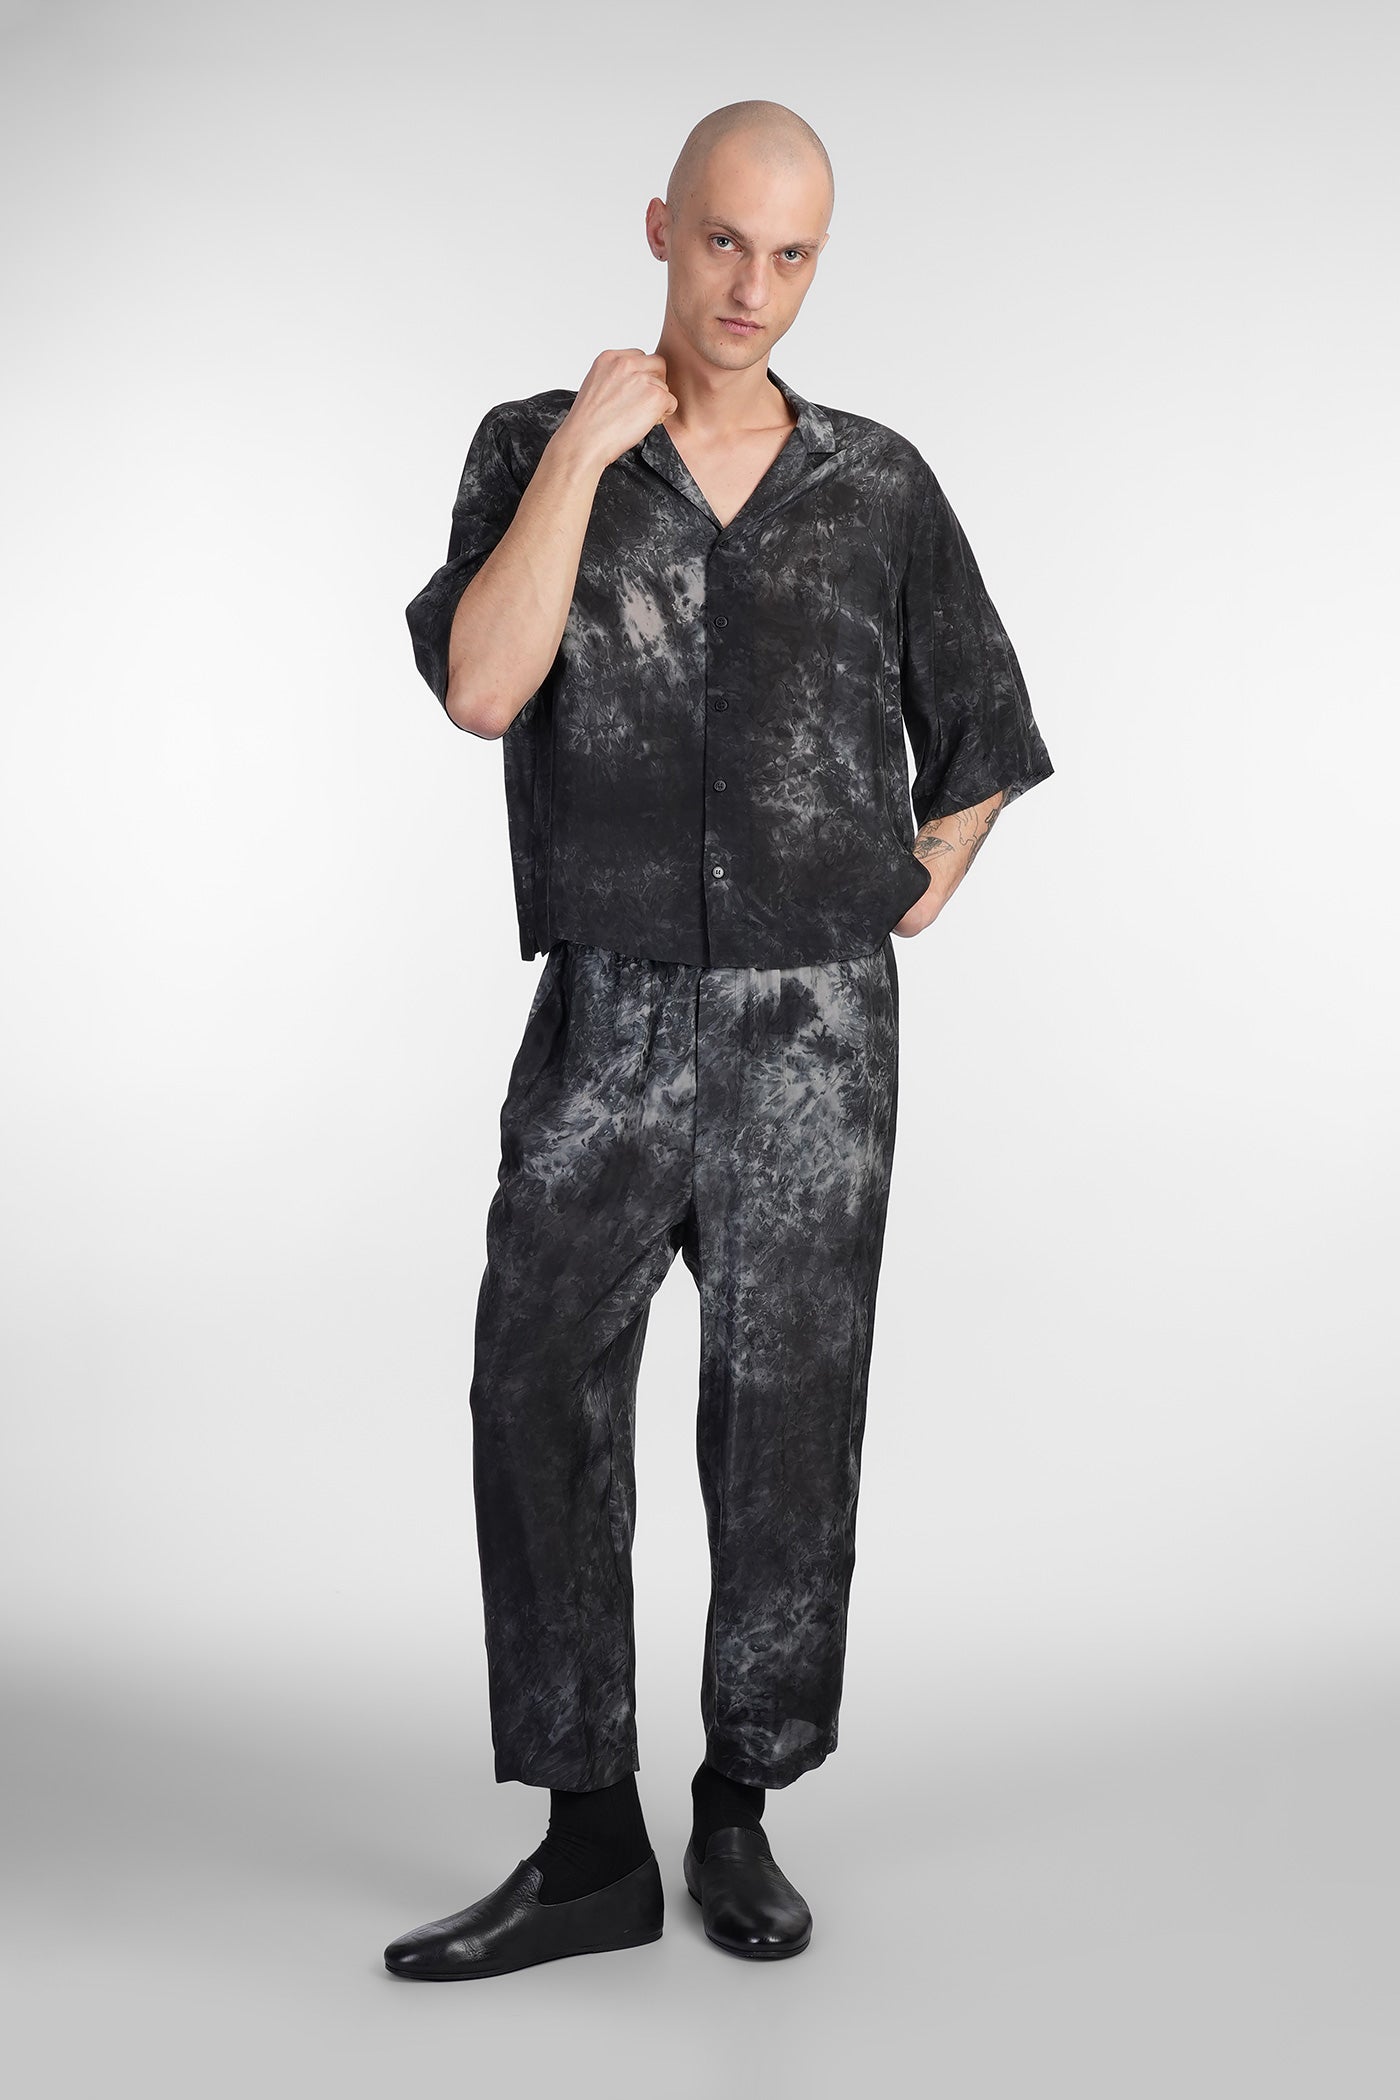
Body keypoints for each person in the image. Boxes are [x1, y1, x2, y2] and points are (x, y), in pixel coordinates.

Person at [384, 98, 1054, 1982]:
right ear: (661, 228)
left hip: (811, 1038)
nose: (753, 286)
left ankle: (740, 1808)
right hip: (606, 1013)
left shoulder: (878, 483)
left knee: (784, 1425)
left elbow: (983, 722)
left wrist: (926, 867)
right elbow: (482, 686)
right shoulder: (536, 444)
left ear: (818, 263)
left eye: (793, 253)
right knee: (536, 1392)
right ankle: (588, 1846)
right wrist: (585, 454)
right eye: (723, 241)